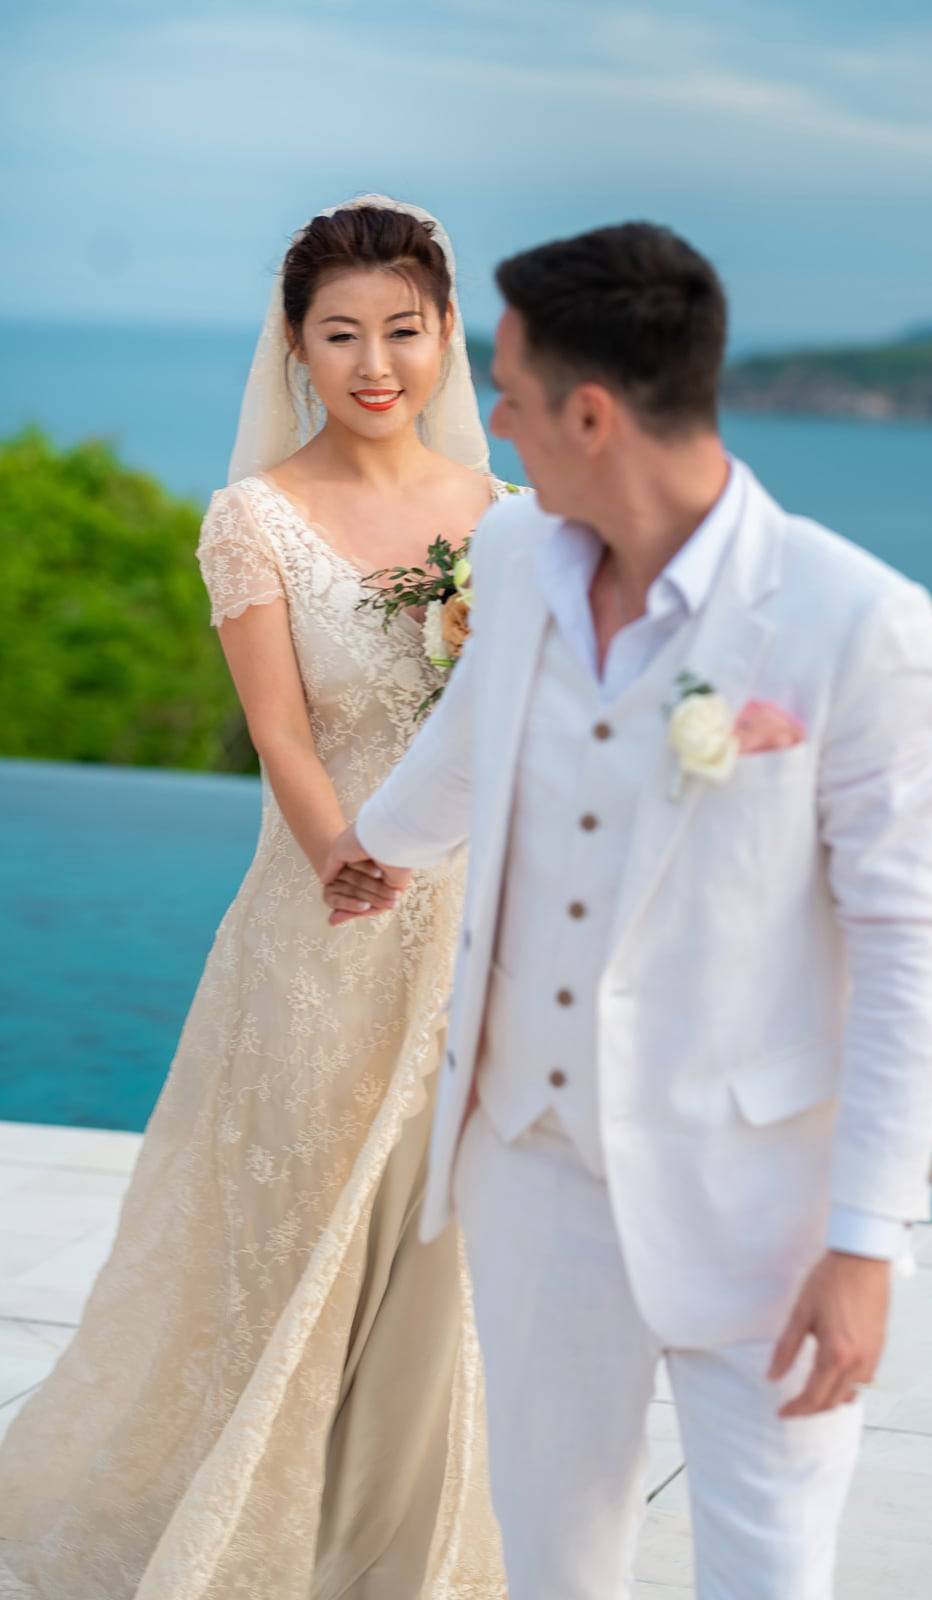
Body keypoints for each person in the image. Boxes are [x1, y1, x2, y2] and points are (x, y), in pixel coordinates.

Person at [321, 221, 932, 1599]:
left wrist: (867, 1244)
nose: (490, 419)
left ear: (593, 415)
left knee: (768, 1572)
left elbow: (909, 953)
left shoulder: (857, 621)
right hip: (534, 1162)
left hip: (762, 1205)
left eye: (508, 391)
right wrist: (372, 851)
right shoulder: (514, 555)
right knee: (557, 1566)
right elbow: (475, 735)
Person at [0, 196, 507, 1600]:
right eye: (341, 334)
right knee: (296, 1232)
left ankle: (399, 1549)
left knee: (446, 1244)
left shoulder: (507, 520)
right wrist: (343, 852)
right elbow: (280, 731)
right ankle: (259, 1538)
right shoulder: (254, 517)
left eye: (402, 330)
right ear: (295, 344)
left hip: (477, 925)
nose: (375, 364)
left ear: (444, 335)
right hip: (325, 924)